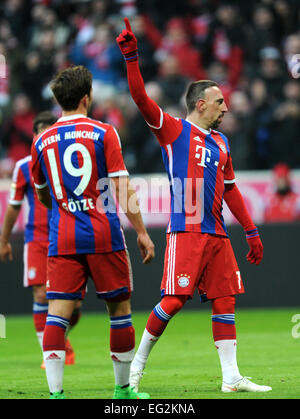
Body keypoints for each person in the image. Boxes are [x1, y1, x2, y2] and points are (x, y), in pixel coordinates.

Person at [116, 18, 272, 394]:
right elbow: (140, 99)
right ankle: (135, 369)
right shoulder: (173, 131)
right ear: (201, 104)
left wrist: (251, 231)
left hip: (216, 232)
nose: (226, 107)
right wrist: (133, 58)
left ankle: (231, 377)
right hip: (186, 231)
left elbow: (232, 191)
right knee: (172, 300)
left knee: (225, 299)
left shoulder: (221, 143)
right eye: (220, 102)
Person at [31, 65, 155, 399]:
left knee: (57, 312)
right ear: (87, 98)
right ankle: (122, 390)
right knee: (119, 309)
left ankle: (56, 393)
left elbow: (41, 192)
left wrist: (60, 206)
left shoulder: (42, 140)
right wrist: (141, 231)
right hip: (103, 235)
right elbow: (121, 187)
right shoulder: (104, 133)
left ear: (60, 101)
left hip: (63, 236)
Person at [0, 111, 80, 369]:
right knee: (41, 292)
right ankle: (50, 353)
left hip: (67, 234)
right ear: (34, 136)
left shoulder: (68, 161)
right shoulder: (24, 167)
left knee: (74, 303)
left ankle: (60, 340)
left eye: (49, 132)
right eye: (40, 132)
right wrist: (4, 240)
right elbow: (13, 206)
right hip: (37, 238)